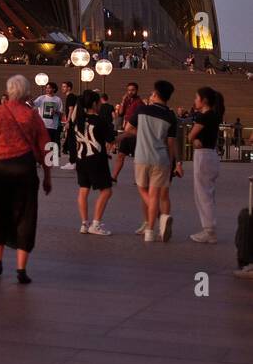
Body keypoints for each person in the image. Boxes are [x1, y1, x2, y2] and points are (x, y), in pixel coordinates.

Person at [0, 74, 52, 284]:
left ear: (9, 91)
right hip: (24, 169)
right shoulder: (32, 116)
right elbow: (46, 147)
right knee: (26, 216)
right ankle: (21, 269)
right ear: (27, 92)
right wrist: (48, 175)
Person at [123, 79, 181, 243]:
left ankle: (154, 226)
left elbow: (128, 129)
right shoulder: (170, 116)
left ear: (155, 94)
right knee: (159, 195)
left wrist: (141, 134)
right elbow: (171, 143)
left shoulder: (142, 109)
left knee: (144, 192)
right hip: (161, 159)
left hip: (142, 156)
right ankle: (156, 227)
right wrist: (173, 164)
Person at [72, 89, 115, 236]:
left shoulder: (78, 120)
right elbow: (111, 139)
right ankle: (96, 223)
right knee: (106, 190)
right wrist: (128, 134)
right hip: (96, 159)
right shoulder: (99, 120)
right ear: (95, 104)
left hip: (81, 159)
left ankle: (84, 223)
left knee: (84, 190)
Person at [188, 87, 224, 243]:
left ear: (204, 101)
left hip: (203, 155)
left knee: (203, 194)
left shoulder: (205, 117)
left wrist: (193, 139)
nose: (195, 101)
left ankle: (209, 230)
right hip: (211, 154)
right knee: (208, 193)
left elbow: (191, 135)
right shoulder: (214, 116)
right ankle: (209, 229)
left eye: (197, 98)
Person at [32, 81, 64, 154]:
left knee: (52, 143)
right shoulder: (41, 98)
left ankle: (51, 160)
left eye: (49, 88)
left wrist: (55, 112)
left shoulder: (57, 99)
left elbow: (61, 113)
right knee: (42, 142)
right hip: (42, 125)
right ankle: (42, 158)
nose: (47, 89)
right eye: (46, 88)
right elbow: (33, 105)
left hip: (53, 126)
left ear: (54, 89)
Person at [58, 80, 78, 169]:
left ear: (69, 88)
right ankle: (74, 161)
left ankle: (72, 162)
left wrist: (68, 122)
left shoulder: (70, 96)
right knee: (71, 141)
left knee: (71, 142)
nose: (62, 88)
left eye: (64, 87)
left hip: (71, 123)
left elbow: (71, 109)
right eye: (62, 87)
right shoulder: (71, 96)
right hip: (73, 122)